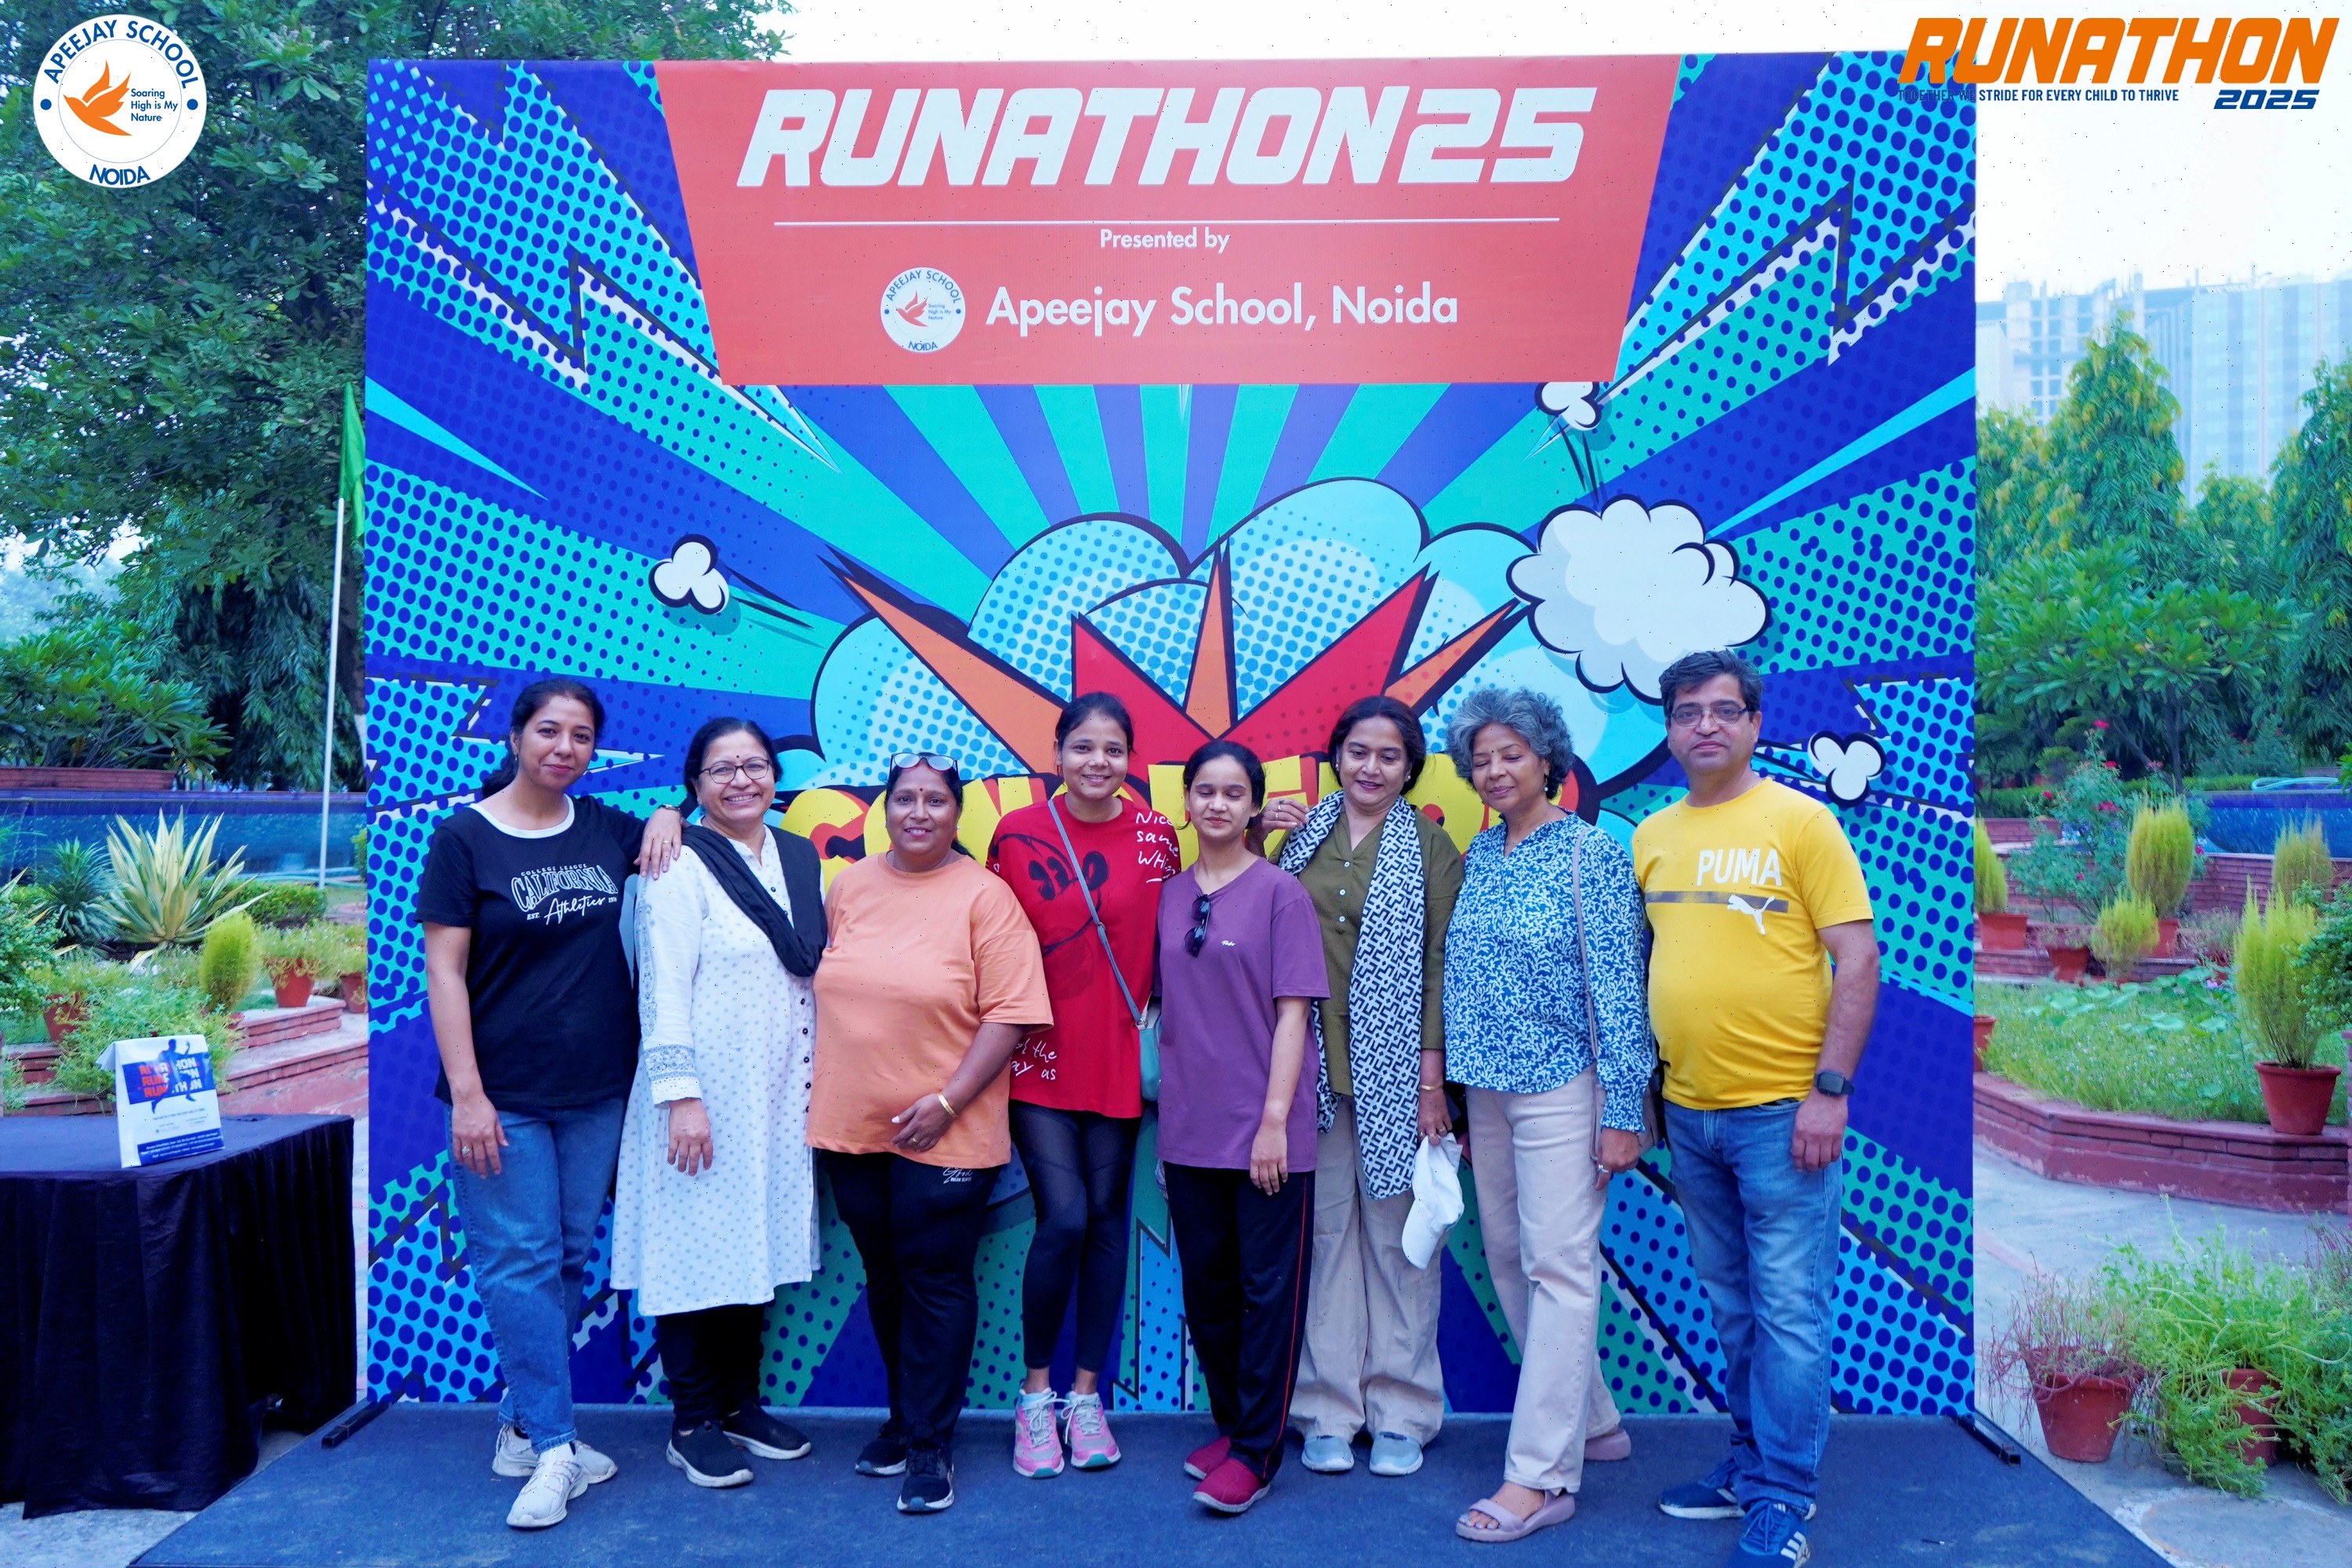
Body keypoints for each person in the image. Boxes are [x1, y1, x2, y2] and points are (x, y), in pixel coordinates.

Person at [416, 677, 682, 1530]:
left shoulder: (604, 827)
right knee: (518, 1261)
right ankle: (557, 1446)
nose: (564, 747)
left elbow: (673, 836)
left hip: (597, 1088)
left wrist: (667, 814)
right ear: (517, 736)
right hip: (503, 1095)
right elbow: (444, 971)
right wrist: (468, 1094)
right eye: (549, 731)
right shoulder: (464, 837)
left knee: (564, 1257)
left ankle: (521, 1426)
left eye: (581, 736)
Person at [1637, 649, 1878, 1568]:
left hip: (1785, 1116)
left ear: (1754, 723)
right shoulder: (1652, 834)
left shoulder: (1801, 821)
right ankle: (1748, 1462)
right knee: (1734, 1307)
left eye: (1724, 709)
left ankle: (1784, 1494)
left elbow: (1857, 957)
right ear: (1670, 727)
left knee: (1788, 1311)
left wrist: (1829, 1091)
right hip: (1689, 1114)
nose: (1705, 723)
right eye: (1687, 709)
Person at [807, 753, 1052, 1515]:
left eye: (935, 801)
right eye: (905, 799)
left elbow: (1010, 1014)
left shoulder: (986, 896)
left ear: (956, 813)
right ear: (885, 808)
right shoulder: (850, 886)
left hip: (946, 1129)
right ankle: (903, 1418)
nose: (919, 812)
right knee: (885, 1278)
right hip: (852, 1129)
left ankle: (930, 1445)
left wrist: (948, 1101)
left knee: (935, 1281)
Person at [1442, 688, 1654, 1545]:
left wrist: (1623, 1110)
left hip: (1565, 1087)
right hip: (1486, 1091)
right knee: (1507, 1255)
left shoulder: (1589, 855)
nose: (1496, 770)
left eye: (1512, 754)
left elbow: (1620, 991)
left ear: (1546, 760)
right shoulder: (1481, 854)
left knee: (1560, 1266)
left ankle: (1539, 1476)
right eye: (1482, 759)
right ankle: (1594, 1422)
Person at [612, 717, 826, 1490]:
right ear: (695, 785)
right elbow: (662, 988)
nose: (742, 780)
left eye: (755, 765)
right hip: (701, 1095)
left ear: (775, 775)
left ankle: (741, 1405)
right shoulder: (678, 863)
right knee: (694, 1251)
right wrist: (682, 1097)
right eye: (722, 769)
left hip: (778, 1094)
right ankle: (693, 1419)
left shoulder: (799, 858)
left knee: (751, 1246)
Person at [1258, 695, 1462, 1479]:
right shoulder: (1300, 837)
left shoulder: (1432, 846)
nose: (1371, 767)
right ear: (1336, 757)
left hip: (1398, 1079)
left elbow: (1441, 967)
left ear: (1410, 767)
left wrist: (1431, 1080)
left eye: (1388, 755)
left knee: (1399, 1243)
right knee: (1326, 1239)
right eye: (1358, 751)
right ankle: (1328, 1410)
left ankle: (1403, 1410)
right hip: (1310, 1074)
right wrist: (1258, 834)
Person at [986, 694, 1180, 1477]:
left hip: (1119, 1056)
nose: (1098, 762)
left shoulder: (1157, 834)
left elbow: (1184, 933)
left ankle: (1086, 1398)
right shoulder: (1016, 832)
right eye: (1083, 747)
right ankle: (1035, 1397)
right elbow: (992, 941)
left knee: (1105, 1222)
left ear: (1130, 757)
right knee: (1063, 1218)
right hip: (1038, 1057)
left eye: (1113, 749)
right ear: (1057, 752)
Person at [1156, 739, 1330, 1516]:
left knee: (1268, 1294)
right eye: (1206, 790)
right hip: (1189, 1127)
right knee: (1209, 1289)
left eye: (1235, 792)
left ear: (1254, 805)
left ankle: (1258, 1451)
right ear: (1187, 801)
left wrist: (1273, 1124)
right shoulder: (1170, 894)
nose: (1219, 804)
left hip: (1266, 1129)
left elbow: (1295, 1014)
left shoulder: (1280, 894)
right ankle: (1232, 1426)